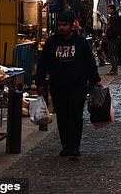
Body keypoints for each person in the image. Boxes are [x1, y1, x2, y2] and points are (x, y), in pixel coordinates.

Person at [36, 11, 101, 159]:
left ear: (72, 26)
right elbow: (43, 63)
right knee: (62, 116)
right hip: (58, 85)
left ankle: (74, 147)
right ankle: (65, 145)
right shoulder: (51, 42)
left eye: (64, 25)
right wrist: (40, 82)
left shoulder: (81, 42)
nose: (61, 28)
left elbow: (89, 63)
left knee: (75, 115)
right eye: (59, 25)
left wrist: (95, 80)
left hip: (77, 86)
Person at [105, 4, 120, 75]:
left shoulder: (113, 18)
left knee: (111, 53)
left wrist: (108, 34)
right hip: (114, 38)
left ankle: (114, 69)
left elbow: (113, 29)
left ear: (112, 9)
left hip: (112, 38)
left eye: (109, 9)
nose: (108, 10)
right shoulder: (115, 17)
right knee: (114, 53)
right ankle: (114, 69)